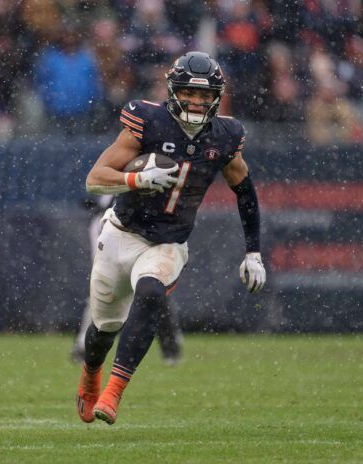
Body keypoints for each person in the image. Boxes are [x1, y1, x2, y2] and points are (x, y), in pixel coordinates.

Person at [75, 51, 267, 425]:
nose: (196, 102)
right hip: (121, 233)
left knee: (150, 292)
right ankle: (90, 375)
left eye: (204, 95)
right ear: (173, 91)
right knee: (103, 329)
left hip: (168, 243)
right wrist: (137, 179)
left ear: (216, 97)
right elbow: (95, 177)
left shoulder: (226, 136)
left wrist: (253, 251)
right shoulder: (148, 121)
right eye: (189, 93)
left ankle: (113, 394)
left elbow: (245, 191)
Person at [70, 193, 184, 366]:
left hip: (142, 238)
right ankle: (84, 347)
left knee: (155, 293)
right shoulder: (108, 204)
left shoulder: (141, 183)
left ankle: (170, 348)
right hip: (113, 235)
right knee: (102, 293)